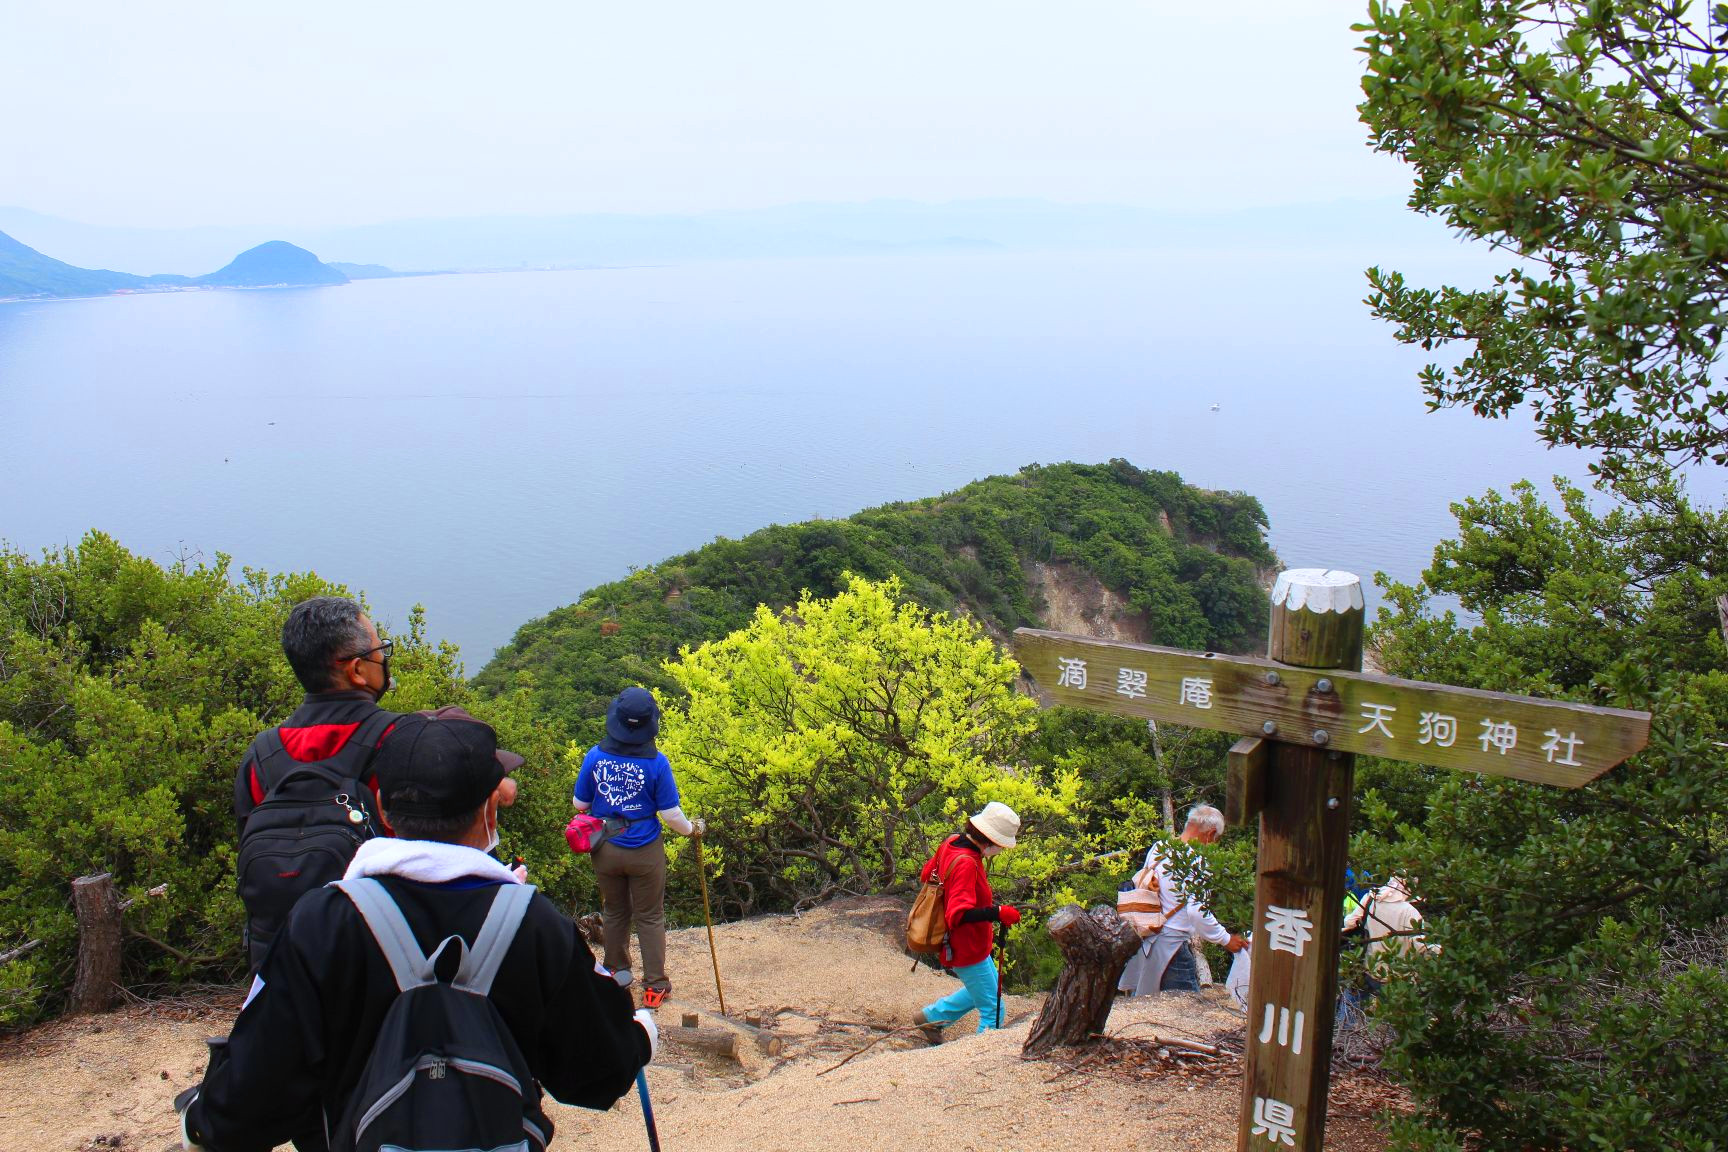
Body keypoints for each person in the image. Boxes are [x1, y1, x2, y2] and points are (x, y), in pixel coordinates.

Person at [178, 708, 655, 1152]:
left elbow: (255, 1092)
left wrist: (201, 1120)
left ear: (382, 808)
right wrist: (641, 1034)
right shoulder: (532, 923)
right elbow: (600, 1074)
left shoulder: (322, 921)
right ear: (490, 809)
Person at [573, 686, 704, 1006]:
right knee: (649, 916)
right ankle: (655, 986)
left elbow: (579, 804)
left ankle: (617, 975)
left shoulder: (595, 756)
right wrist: (692, 831)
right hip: (645, 849)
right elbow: (671, 815)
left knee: (615, 912)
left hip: (605, 847)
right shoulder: (657, 763)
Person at [913, 801, 1022, 1038]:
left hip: (967, 945)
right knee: (993, 1009)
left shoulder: (952, 842)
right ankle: (977, 1057)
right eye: (1001, 844)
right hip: (965, 946)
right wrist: (997, 912)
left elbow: (926, 874)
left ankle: (931, 1018)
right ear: (991, 839)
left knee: (984, 990)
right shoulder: (967, 862)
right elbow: (958, 915)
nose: (1001, 849)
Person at [1117, 804, 1246, 996]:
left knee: (1152, 1011)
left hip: (1146, 941)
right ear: (1210, 834)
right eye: (1216, 839)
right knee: (1187, 1014)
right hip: (1173, 950)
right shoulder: (1197, 863)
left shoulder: (1159, 848)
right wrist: (1226, 939)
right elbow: (1197, 913)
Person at [1342, 874, 1437, 998]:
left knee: (1352, 1004)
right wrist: (1437, 950)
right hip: (1398, 975)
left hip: (1369, 967)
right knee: (1394, 1013)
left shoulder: (1371, 899)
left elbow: (1349, 922)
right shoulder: (1410, 911)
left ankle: (1343, 1017)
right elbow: (1420, 946)